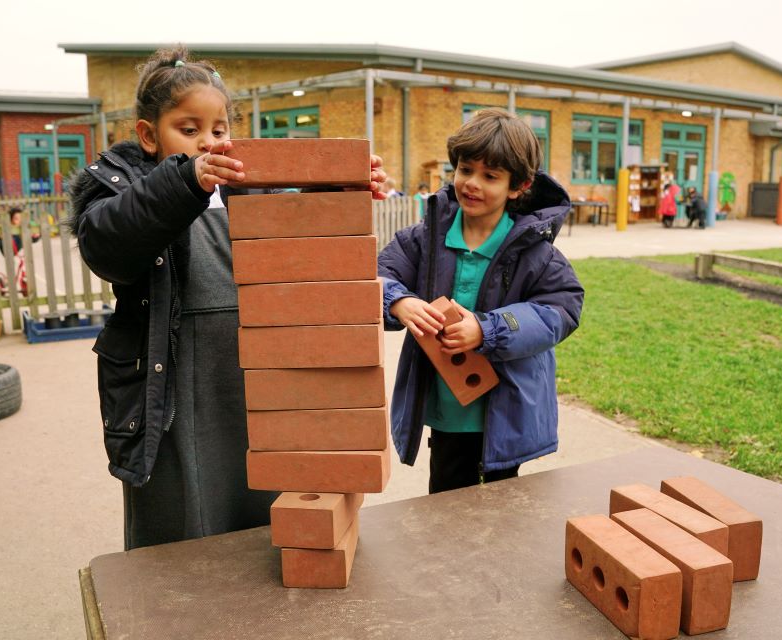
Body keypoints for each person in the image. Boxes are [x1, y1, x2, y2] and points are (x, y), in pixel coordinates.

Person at [67, 46, 386, 550]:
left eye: (218, 130)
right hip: (174, 384)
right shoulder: (122, 188)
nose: (207, 144)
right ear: (149, 135)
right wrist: (183, 182)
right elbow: (109, 242)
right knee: (186, 518)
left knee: (262, 496)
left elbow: (294, 230)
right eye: (188, 130)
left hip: (253, 373)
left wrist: (338, 187)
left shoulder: (249, 188)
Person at [378, 108, 584, 494]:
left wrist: (488, 329)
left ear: (518, 186)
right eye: (466, 169)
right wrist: (397, 302)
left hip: (506, 412)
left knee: (501, 509)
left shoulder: (535, 251)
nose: (472, 183)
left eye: (490, 176)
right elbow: (379, 274)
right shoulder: (424, 239)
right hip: (448, 411)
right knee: (447, 502)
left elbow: (562, 309)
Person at [0, 206, 40, 296]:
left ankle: (15, 283)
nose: (19, 221)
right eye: (16, 219)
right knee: (9, 272)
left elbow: (33, 238)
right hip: (7, 253)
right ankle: (3, 282)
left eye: (20, 218)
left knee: (21, 270)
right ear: (11, 220)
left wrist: (37, 235)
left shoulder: (24, 231)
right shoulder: (7, 231)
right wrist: (0, 237)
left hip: (17, 253)